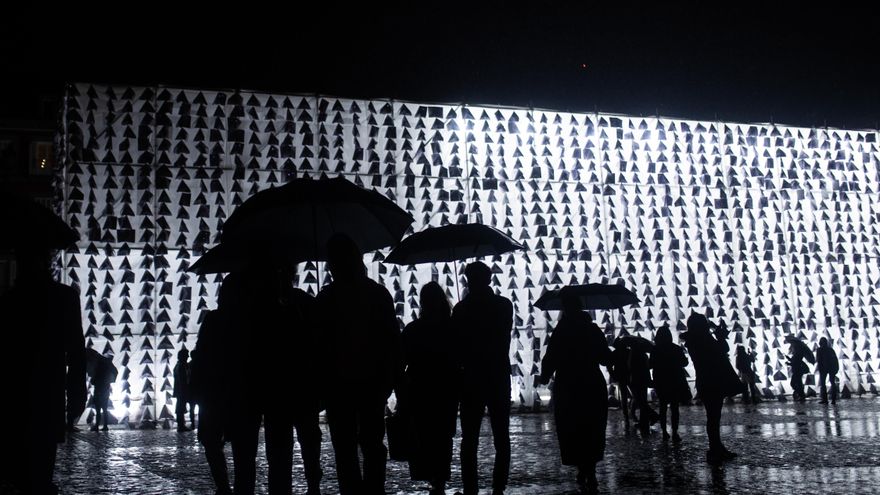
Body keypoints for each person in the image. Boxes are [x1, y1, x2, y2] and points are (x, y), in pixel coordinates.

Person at [316, 234, 402, 495]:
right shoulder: (377, 294)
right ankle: (373, 490)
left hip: (340, 384)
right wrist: (392, 379)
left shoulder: (327, 299)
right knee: (372, 443)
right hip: (370, 382)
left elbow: (318, 345)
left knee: (345, 449)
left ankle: (353, 491)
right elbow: (392, 341)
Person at [0, 248, 86, 494]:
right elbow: (77, 349)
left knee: (22, 468)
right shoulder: (64, 297)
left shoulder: (10, 300)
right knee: (40, 465)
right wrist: (77, 391)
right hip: (47, 392)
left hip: (17, 394)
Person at [539, 289, 610, 494]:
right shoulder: (592, 329)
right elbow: (604, 357)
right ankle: (591, 469)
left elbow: (550, 357)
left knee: (573, 426)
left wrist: (545, 376)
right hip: (591, 382)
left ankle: (582, 467)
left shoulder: (561, 331)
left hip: (568, 384)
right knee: (592, 426)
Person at [453, 261, 514, 495]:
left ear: (468, 280)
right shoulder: (503, 305)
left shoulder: (461, 310)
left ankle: (471, 489)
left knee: (469, 439)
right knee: (501, 436)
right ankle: (499, 488)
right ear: (489, 280)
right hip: (497, 375)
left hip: (470, 378)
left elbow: (458, 347)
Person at [401, 282, 461, 495]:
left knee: (425, 433)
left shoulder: (413, 329)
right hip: (446, 387)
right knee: (443, 435)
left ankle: (433, 477)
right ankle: (440, 479)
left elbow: (402, 361)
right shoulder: (452, 327)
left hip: (420, 388)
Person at [190, 274, 240, 495]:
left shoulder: (213, 320)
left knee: (211, 440)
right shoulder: (246, 321)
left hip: (213, 390)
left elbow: (201, 354)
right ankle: (238, 486)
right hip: (238, 389)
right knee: (241, 444)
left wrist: (195, 387)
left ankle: (223, 485)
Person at [681, 313, 742, 464]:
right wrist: (721, 337)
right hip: (713, 381)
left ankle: (716, 447)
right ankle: (715, 448)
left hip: (705, 381)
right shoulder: (703, 340)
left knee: (713, 417)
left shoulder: (693, 341)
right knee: (714, 417)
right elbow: (721, 350)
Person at [650, 324, 690, 442]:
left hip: (661, 381)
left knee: (663, 407)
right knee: (674, 408)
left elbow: (651, 364)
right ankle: (675, 432)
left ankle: (664, 431)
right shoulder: (676, 348)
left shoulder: (655, 350)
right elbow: (684, 363)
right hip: (675, 381)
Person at [628, 344, 655, 436]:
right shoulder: (644, 355)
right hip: (644, 379)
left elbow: (630, 367)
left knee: (640, 401)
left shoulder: (632, 355)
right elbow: (648, 367)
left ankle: (653, 416)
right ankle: (644, 422)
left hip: (635, 379)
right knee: (642, 400)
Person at [609, 337, 633, 428]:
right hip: (629, 375)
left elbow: (609, 365)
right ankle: (632, 412)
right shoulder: (628, 352)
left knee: (623, 396)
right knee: (635, 394)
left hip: (620, 376)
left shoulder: (615, 353)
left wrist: (613, 374)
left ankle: (626, 416)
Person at [91, 353, 117, 432]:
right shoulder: (109, 369)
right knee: (104, 409)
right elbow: (114, 374)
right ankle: (105, 426)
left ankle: (97, 426)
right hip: (105, 391)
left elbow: (93, 381)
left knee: (98, 410)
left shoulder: (98, 369)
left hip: (98, 391)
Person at [173, 347, 195, 432]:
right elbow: (183, 379)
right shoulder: (181, 366)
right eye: (186, 356)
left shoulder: (179, 365)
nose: (187, 357)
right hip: (182, 390)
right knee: (180, 408)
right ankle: (181, 425)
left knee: (180, 407)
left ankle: (181, 424)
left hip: (180, 390)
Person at [816, 338, 839, 405]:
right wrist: (836, 368)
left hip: (823, 369)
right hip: (831, 368)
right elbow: (835, 359)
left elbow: (818, 360)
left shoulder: (819, 350)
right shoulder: (830, 350)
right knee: (832, 383)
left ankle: (825, 399)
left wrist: (820, 369)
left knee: (823, 384)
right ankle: (833, 399)